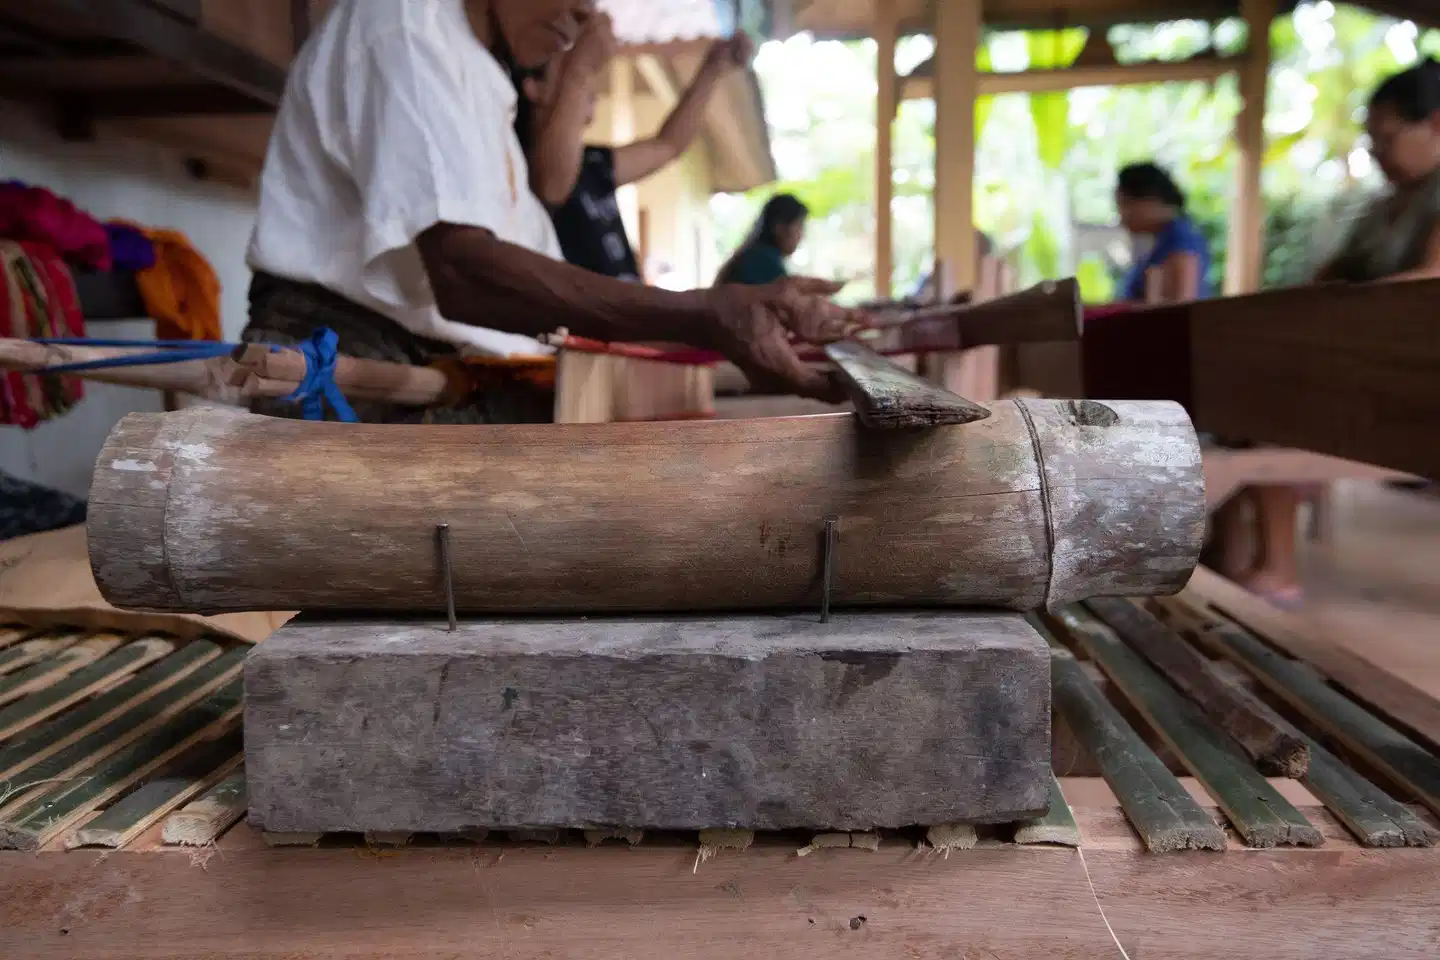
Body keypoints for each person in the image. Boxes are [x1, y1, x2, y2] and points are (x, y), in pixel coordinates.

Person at [243, 0, 862, 425]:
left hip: (447, 365)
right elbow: (462, 276)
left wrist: (712, 323)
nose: (587, 13)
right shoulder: (405, 27)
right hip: (348, 355)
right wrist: (704, 314)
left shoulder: (476, 69)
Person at [1215, 59, 1440, 606]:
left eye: (1387, 137)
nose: (1377, 151)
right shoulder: (1384, 208)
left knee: (1282, 405)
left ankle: (1277, 568)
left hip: (1420, 373)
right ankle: (1240, 555)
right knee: (1244, 392)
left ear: (1435, 125)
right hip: (1368, 359)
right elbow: (1327, 280)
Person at [516, 15, 753, 283]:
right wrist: (579, 71)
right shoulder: (519, 166)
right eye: (566, 63)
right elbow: (551, 185)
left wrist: (714, 68)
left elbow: (668, 145)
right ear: (533, 87)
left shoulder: (591, 163)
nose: (585, 74)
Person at [1115, 162, 1212, 303]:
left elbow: (1181, 308)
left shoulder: (1181, 239)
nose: (1122, 217)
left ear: (1150, 199)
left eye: (1124, 204)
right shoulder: (1162, 239)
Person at [715, 194, 810, 286]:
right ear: (779, 227)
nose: (802, 236)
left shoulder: (752, 255)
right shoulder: (765, 263)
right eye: (799, 226)